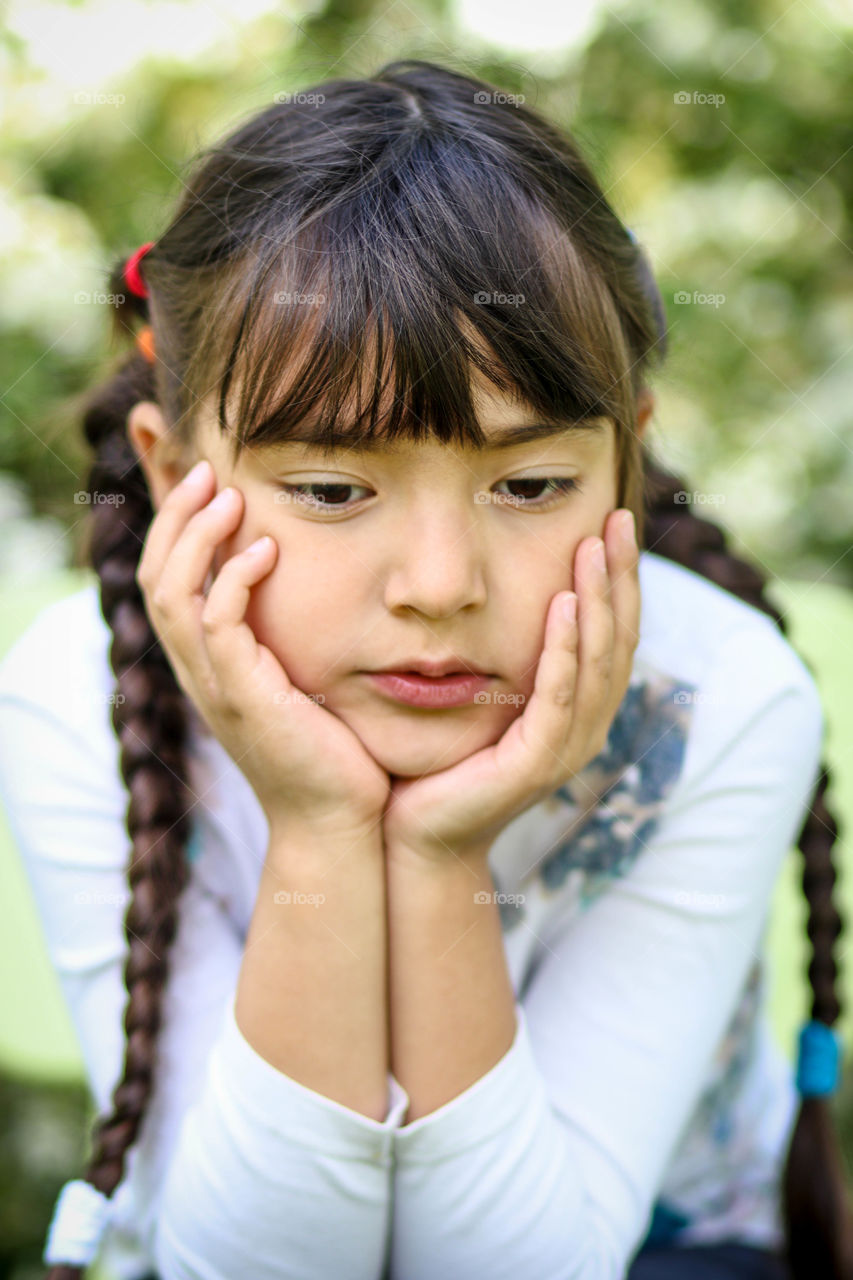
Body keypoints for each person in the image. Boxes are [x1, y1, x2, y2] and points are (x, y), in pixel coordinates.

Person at [0, 56, 850, 1280]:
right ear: (175, 472)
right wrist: (320, 828)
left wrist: (441, 850)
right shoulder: (74, 697)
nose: (441, 582)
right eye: (335, 489)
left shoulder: (712, 702)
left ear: (625, 461)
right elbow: (238, 1262)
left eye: (530, 484)